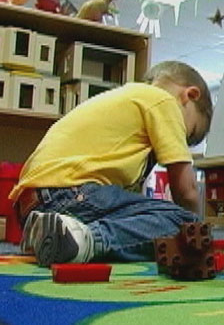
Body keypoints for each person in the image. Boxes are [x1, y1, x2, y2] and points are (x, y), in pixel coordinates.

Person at [10, 61, 213, 267]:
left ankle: (61, 233)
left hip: (30, 206)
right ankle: (89, 240)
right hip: (70, 191)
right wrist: (195, 234)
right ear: (190, 95)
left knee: (139, 221)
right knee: (182, 222)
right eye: (189, 133)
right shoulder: (163, 101)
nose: (182, 139)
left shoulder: (126, 99)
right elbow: (186, 192)